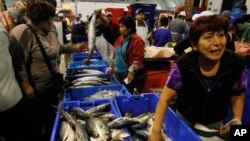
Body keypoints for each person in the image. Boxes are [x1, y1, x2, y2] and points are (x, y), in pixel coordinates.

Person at [149, 15, 246, 141]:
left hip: (216, 125)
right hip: (184, 120)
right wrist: (156, 131)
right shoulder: (184, 64)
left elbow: (238, 93)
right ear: (194, 45)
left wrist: (237, 119)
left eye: (221, 35)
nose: (217, 42)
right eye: (208, 37)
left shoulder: (237, 63)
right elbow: (164, 99)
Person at [9, 1, 84, 140]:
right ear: (39, 20)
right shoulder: (22, 32)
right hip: (35, 91)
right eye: (50, 20)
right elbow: (17, 61)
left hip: (51, 87)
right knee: (36, 125)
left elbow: (57, 48)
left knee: (52, 121)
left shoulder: (48, 32)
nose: (52, 22)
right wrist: (25, 85)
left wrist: (74, 47)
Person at [111, 16, 145, 93]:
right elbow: (115, 53)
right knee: (119, 93)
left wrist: (131, 72)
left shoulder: (137, 40)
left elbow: (139, 59)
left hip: (126, 74)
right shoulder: (120, 38)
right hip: (117, 72)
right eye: (120, 26)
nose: (120, 29)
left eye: (122, 27)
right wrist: (112, 66)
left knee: (127, 92)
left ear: (129, 29)